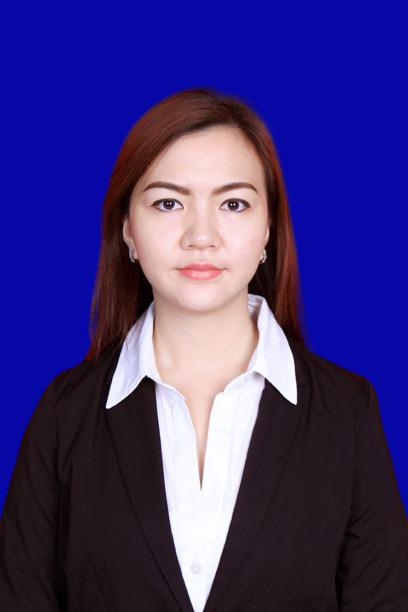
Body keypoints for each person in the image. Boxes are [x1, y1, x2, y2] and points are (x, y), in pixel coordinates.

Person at [1, 87, 407, 612]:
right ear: (128, 229)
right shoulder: (65, 413)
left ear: (268, 228)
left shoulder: (347, 411)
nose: (201, 235)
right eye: (168, 203)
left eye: (233, 204)